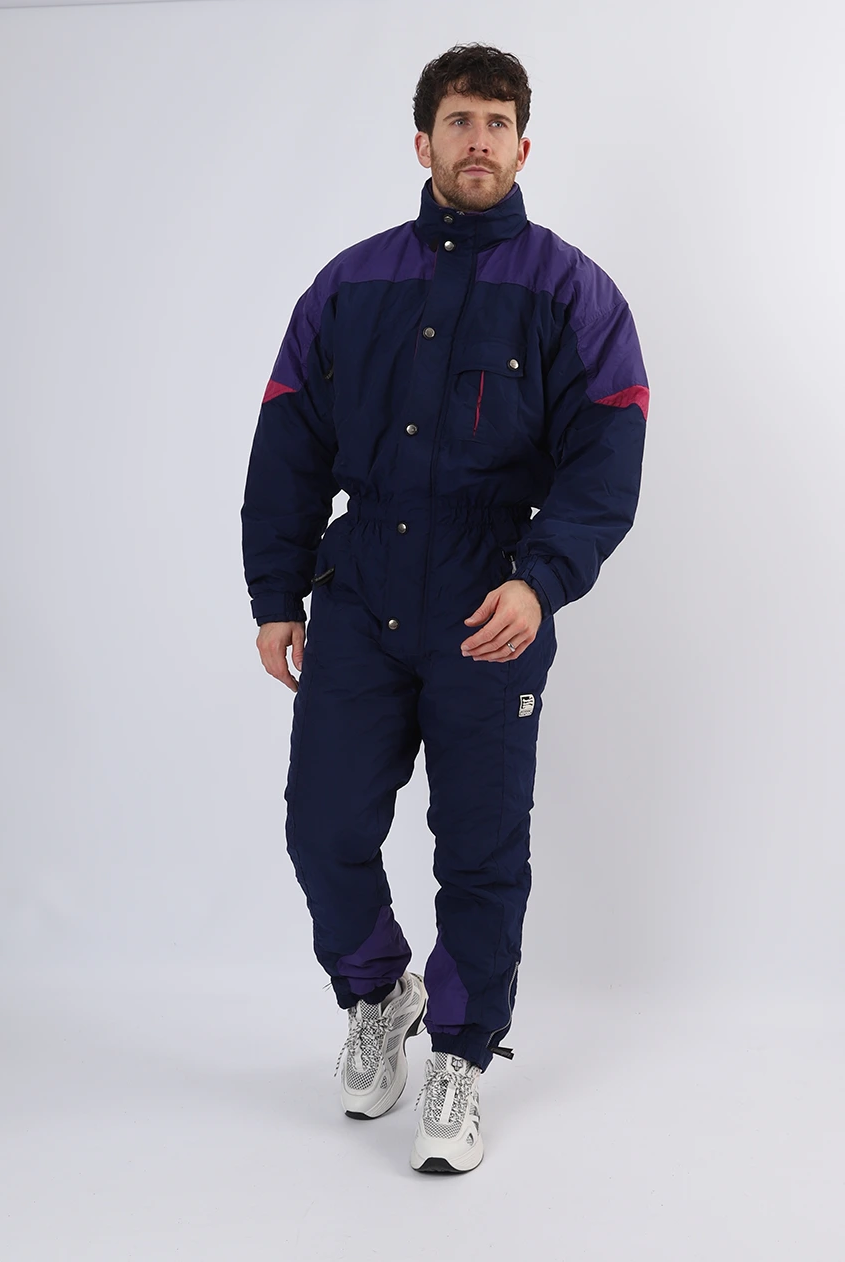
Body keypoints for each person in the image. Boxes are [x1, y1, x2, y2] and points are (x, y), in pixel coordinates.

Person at [241, 43, 649, 1175]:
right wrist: (276, 591)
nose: (479, 140)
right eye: (460, 120)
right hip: (361, 589)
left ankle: (462, 1054)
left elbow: (608, 450)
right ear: (422, 142)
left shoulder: (571, 292)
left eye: (498, 122)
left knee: (479, 847)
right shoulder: (350, 284)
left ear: (525, 145)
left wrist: (541, 577)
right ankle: (380, 992)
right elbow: (289, 439)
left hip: (490, 599)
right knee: (322, 824)